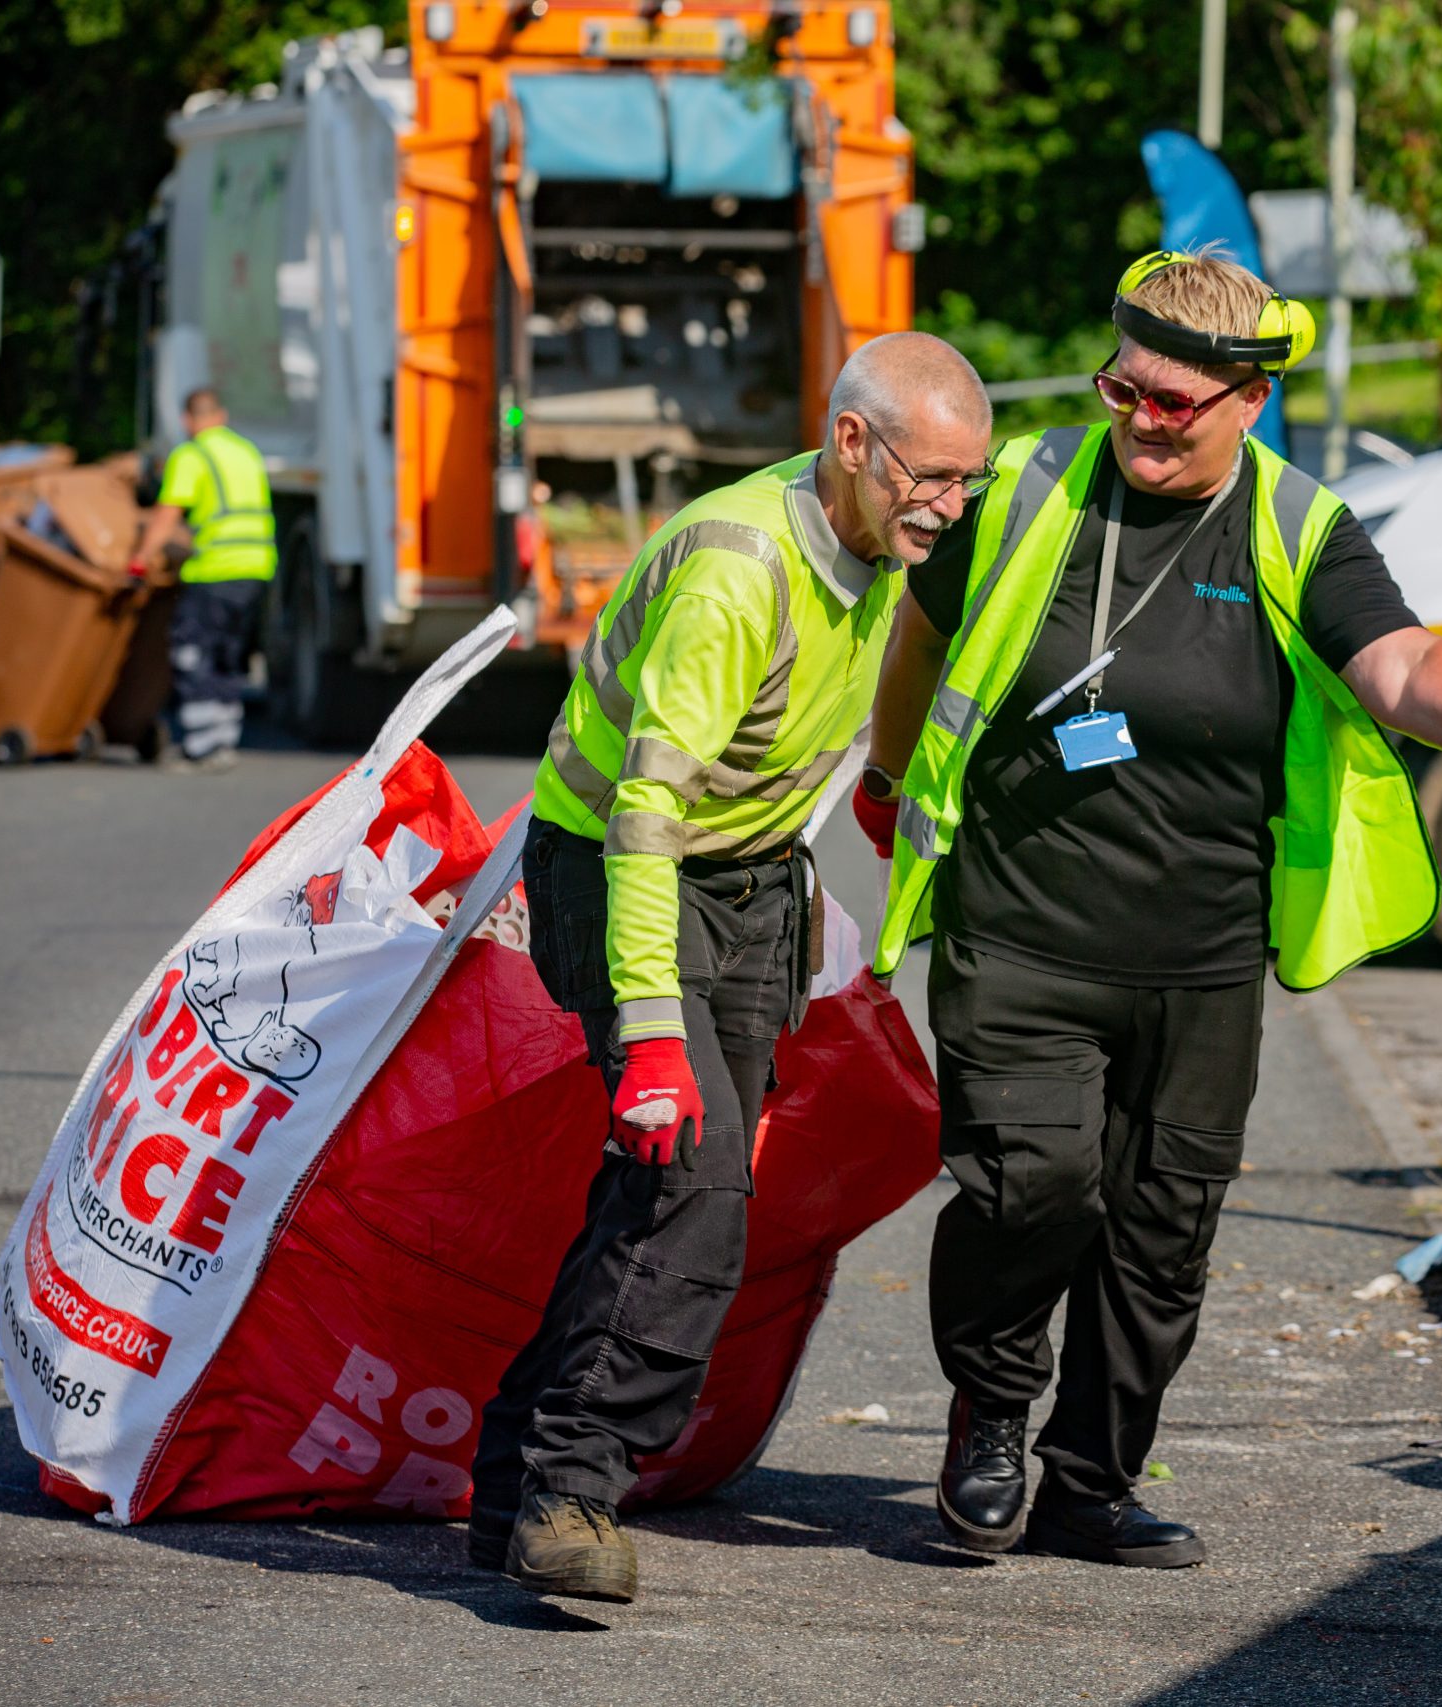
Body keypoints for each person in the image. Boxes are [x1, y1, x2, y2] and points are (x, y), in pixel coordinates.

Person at [856, 250, 1442, 1569]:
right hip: (1020, 929)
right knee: (1034, 1187)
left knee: (1160, 1231)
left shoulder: (1298, 524)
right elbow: (918, 633)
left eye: (1175, 403)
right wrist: (886, 771)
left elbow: (1403, 662)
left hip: (1200, 955)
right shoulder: (1023, 491)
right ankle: (991, 1414)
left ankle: (1091, 1483)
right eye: (1125, 389)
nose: (1141, 418)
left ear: (1249, 400)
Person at [469, 332, 993, 1604]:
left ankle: (509, 1477)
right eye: (931, 477)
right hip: (624, 870)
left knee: (693, 1186)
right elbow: (647, 813)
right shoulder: (737, 568)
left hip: (746, 879)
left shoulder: (876, 537)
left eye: (970, 482)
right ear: (852, 442)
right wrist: (652, 1033)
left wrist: (850, 816)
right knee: (689, 1174)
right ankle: (570, 1492)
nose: (953, 507)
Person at [128, 388, 276, 767]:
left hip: (216, 568)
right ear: (221, 415)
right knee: (230, 655)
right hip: (256, 567)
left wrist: (142, 557)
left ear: (187, 420)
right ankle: (223, 740)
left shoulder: (191, 455)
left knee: (193, 653)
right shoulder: (247, 451)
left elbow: (167, 515)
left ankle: (201, 747)